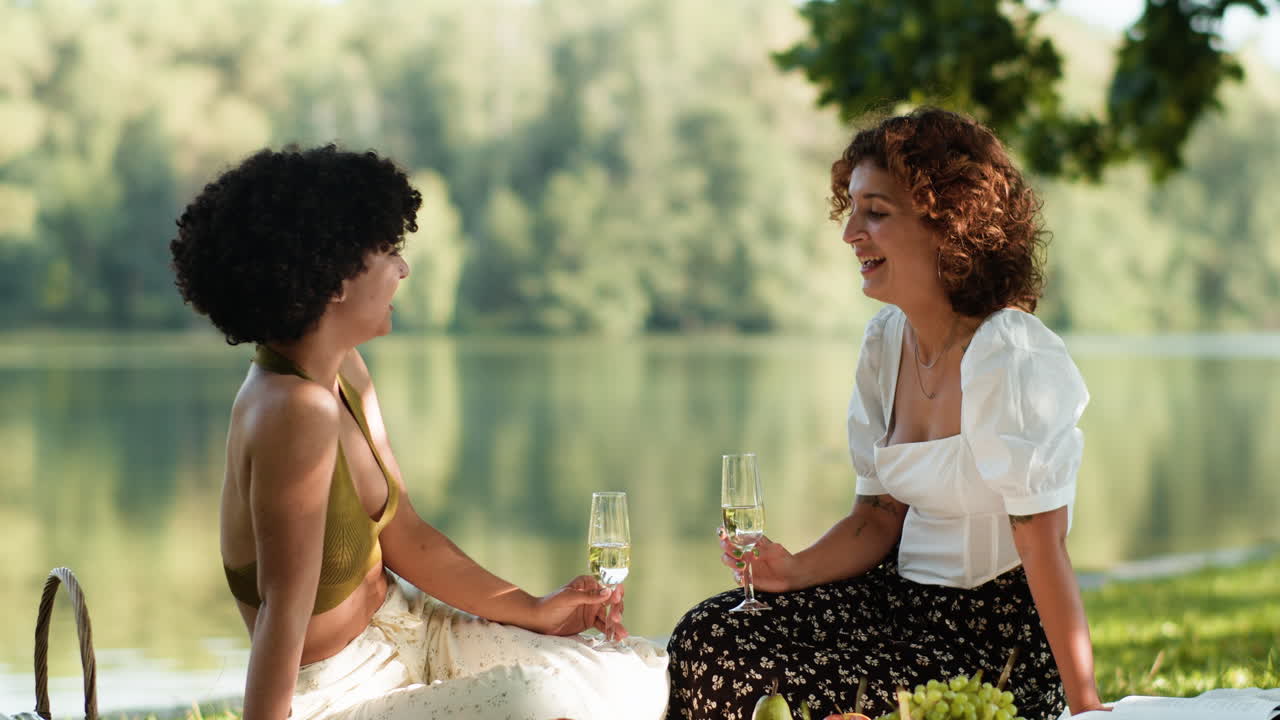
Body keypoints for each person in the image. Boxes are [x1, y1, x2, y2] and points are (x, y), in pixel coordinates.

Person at [170, 145, 668, 720]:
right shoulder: (291, 410)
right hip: (341, 691)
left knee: (637, 672)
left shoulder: (344, 370)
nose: (403, 269)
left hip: (418, 632)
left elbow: (406, 534)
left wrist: (533, 609)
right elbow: (283, 610)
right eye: (387, 251)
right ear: (334, 277)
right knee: (547, 701)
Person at [665, 108, 1108, 720]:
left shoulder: (1009, 352)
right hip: (894, 601)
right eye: (851, 211)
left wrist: (1084, 705)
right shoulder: (885, 343)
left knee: (791, 686)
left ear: (949, 228)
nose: (850, 233)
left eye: (876, 212)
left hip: (987, 637)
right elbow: (877, 516)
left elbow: (1042, 544)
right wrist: (791, 570)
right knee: (709, 634)